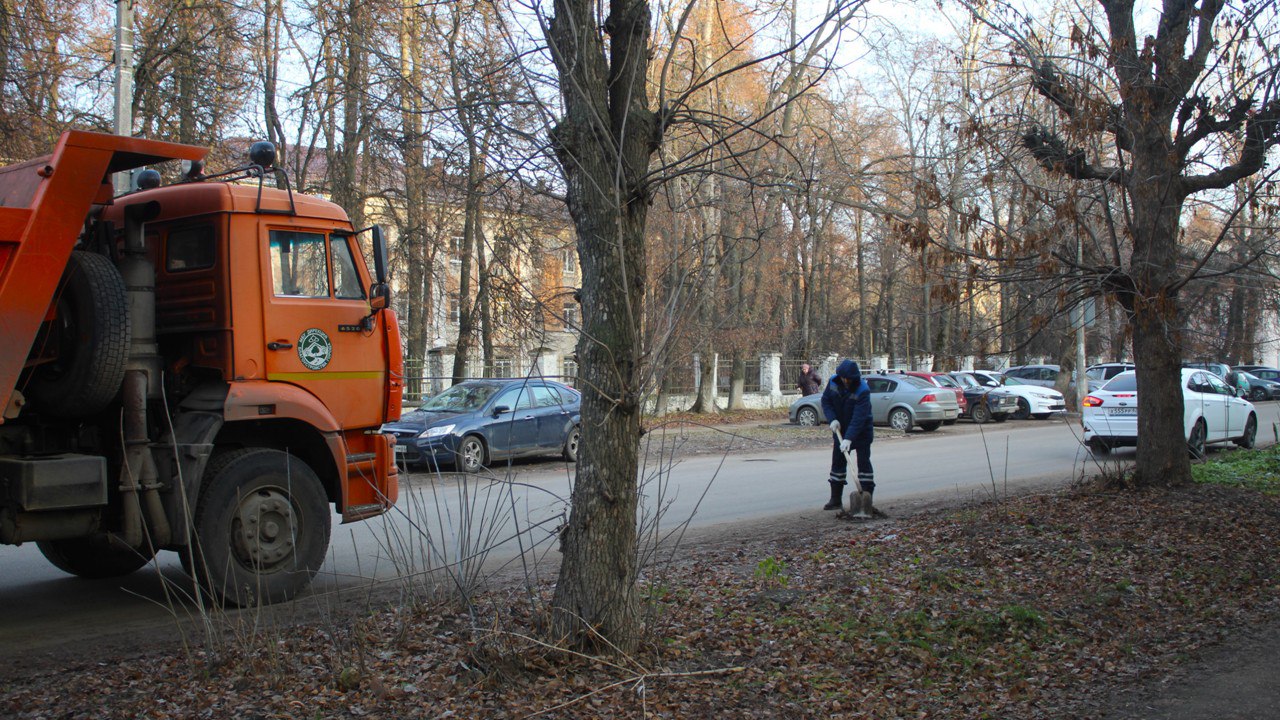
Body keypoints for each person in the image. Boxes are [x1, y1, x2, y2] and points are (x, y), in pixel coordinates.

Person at [820, 359, 874, 512]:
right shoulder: (833, 382)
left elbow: (859, 418)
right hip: (840, 430)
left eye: (849, 379)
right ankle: (835, 499)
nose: (846, 381)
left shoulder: (862, 390)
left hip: (862, 431)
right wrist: (832, 419)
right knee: (837, 464)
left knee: (863, 465)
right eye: (844, 378)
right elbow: (826, 401)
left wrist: (849, 438)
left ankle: (867, 499)